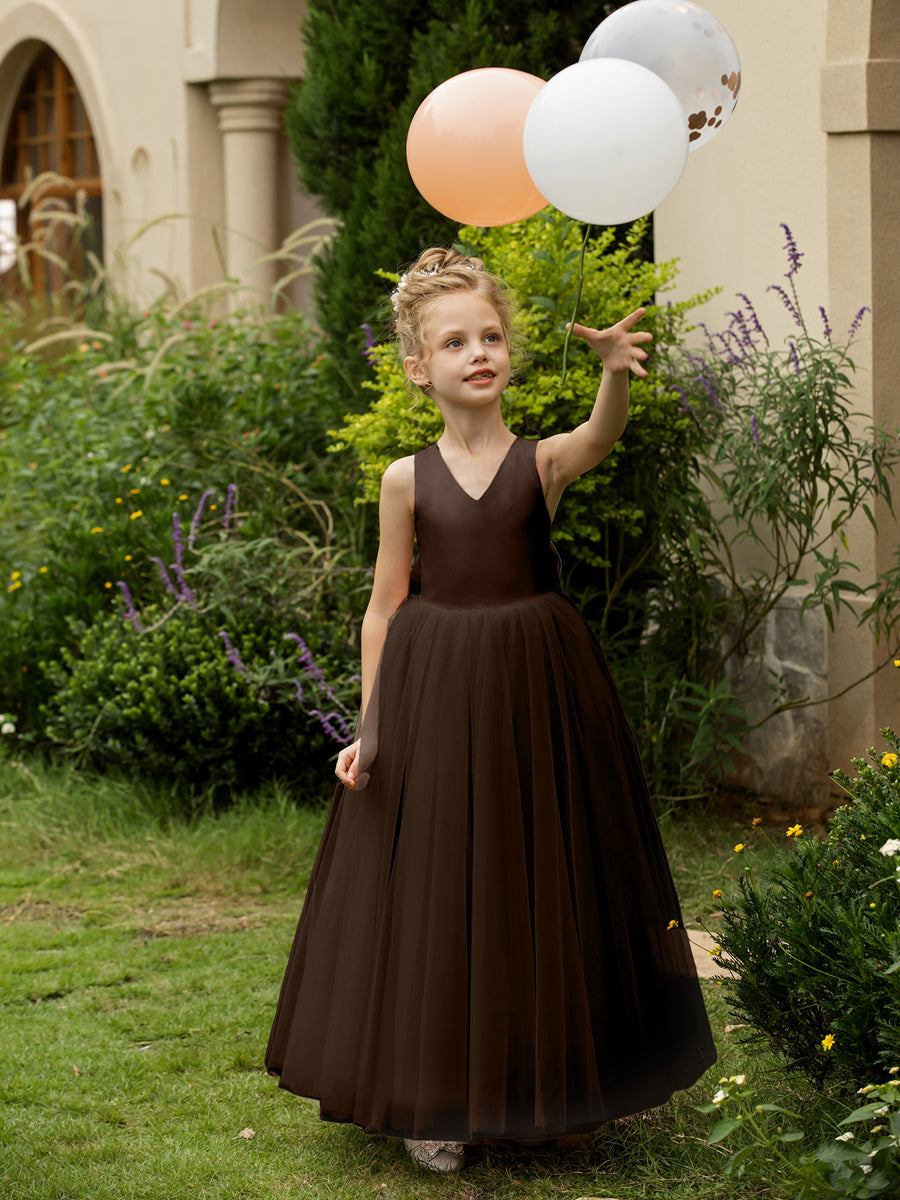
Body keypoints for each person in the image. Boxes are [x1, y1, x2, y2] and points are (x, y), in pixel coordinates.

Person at [266, 247, 717, 1174]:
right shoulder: (405, 479)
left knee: (541, 876)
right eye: (455, 341)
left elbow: (600, 438)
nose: (479, 352)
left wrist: (610, 377)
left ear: (509, 352)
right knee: (439, 883)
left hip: (536, 688)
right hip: (434, 690)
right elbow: (385, 604)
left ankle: (549, 1089)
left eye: (493, 336)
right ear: (416, 367)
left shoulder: (539, 461)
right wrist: (371, 729)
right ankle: (436, 1096)